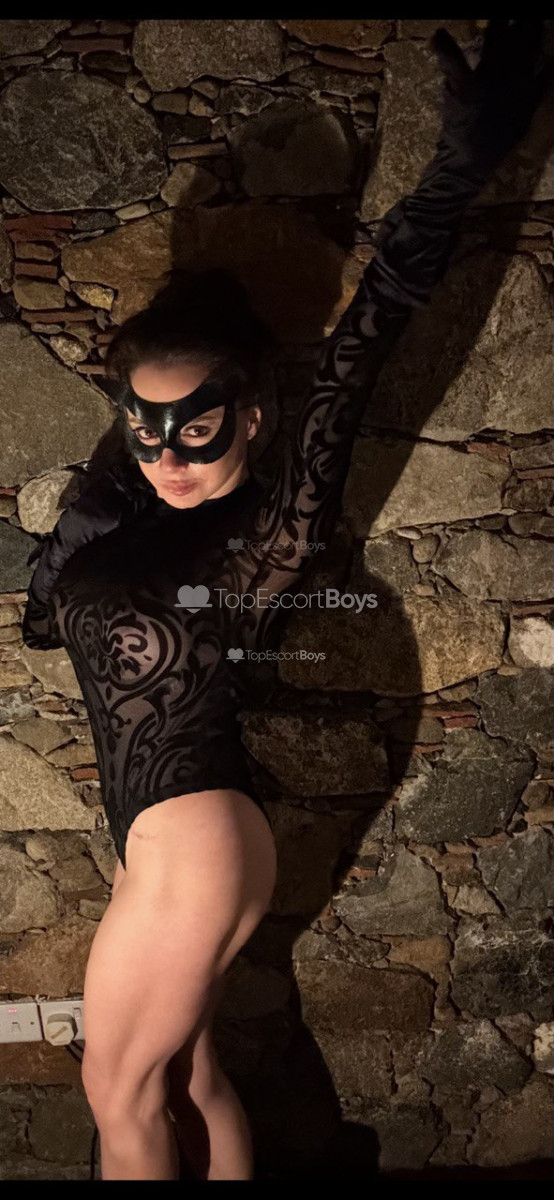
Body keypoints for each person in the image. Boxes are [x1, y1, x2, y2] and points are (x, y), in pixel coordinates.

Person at [21, 21, 549, 1182]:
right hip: (163, 838)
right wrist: (88, 519)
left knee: (119, 1091)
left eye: (197, 429)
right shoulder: (137, 516)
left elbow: (370, 336)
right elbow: (48, 623)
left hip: (194, 837)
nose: (167, 454)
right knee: (184, 1072)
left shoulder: (269, 530)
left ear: (252, 416)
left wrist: (458, 169)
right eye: (143, 429)